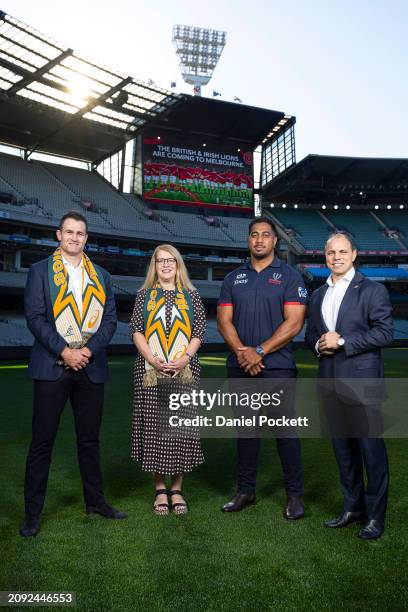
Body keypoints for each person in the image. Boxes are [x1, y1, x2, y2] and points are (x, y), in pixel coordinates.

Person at [20, 211, 126, 538]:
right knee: (42, 443)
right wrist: (65, 351)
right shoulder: (39, 272)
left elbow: (109, 321)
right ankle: (32, 514)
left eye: (80, 233)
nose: (74, 238)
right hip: (52, 366)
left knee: (90, 441)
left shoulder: (102, 276)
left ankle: (95, 502)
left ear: (86, 238)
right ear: (58, 235)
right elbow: (35, 318)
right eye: (69, 232)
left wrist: (87, 352)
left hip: (90, 368)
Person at [217, 217, 307, 518]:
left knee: (285, 433)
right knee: (246, 433)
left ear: (275, 241)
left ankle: (294, 496)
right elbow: (224, 321)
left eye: (265, 235)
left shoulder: (290, 276)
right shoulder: (233, 278)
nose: (259, 240)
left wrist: (259, 351)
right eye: (254, 235)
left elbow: (294, 324)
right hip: (240, 367)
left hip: (278, 367)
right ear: (248, 240)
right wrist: (244, 354)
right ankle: (246, 491)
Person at [305, 232, 393, 540]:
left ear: (354, 254)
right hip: (330, 384)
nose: (337, 257)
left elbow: (385, 333)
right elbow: (310, 338)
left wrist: (342, 341)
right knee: (344, 452)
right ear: (325, 256)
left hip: (363, 383)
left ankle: (375, 517)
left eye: (343, 251)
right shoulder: (317, 295)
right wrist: (319, 345)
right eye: (331, 252)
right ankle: (352, 508)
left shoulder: (372, 289)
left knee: (371, 452)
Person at [130, 244, 206, 515]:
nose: (165, 265)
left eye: (170, 261)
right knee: (155, 429)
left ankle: (177, 488)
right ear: (154, 265)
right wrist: (152, 358)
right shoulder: (144, 296)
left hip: (185, 369)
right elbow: (137, 331)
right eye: (160, 261)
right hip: (150, 370)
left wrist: (184, 358)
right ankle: (160, 488)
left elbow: (199, 332)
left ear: (178, 265)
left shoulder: (192, 296)